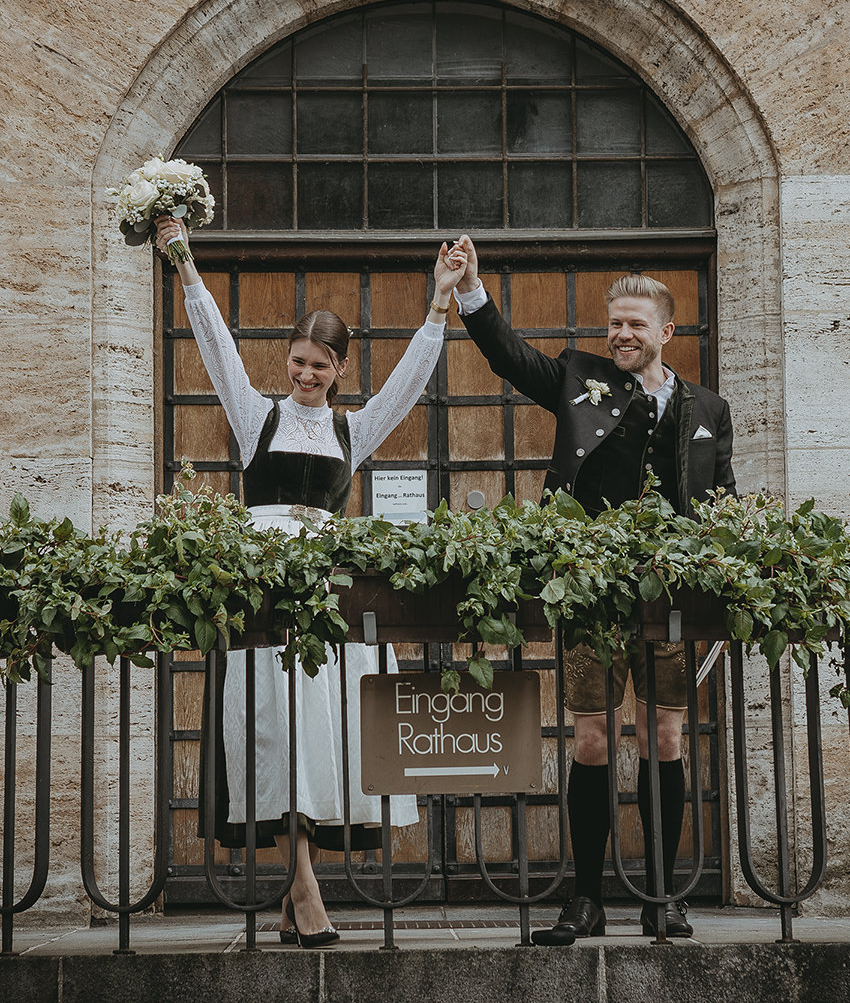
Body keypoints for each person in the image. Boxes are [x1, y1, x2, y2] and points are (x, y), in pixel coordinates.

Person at [155, 215, 467, 947]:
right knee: (272, 730)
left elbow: (411, 382)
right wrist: (184, 264)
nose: (305, 374)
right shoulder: (254, 418)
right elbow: (214, 346)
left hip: (326, 597)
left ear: (338, 370)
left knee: (316, 734)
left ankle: (300, 892)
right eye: (298, 361)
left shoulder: (352, 432)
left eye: (320, 366)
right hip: (262, 590)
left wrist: (438, 305)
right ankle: (306, 891)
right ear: (287, 359)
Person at [448, 235, 736, 945]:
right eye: (615, 324)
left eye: (636, 324)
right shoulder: (581, 380)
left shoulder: (707, 408)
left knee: (665, 738)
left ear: (667, 331)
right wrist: (470, 290)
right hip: (588, 594)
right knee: (591, 741)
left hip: (668, 598)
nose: (622, 335)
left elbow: (725, 501)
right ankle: (584, 900)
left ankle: (663, 898)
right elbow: (510, 357)